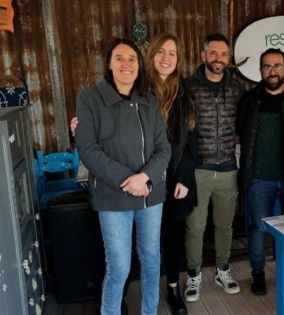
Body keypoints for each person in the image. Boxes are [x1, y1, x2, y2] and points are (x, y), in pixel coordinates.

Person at [71, 33, 198, 315]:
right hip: (112, 198)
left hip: (150, 196)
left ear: (139, 66)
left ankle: (149, 311)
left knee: (152, 259)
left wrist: (145, 178)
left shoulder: (148, 101)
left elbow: (163, 149)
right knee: (119, 266)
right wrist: (129, 181)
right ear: (109, 64)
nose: (126, 64)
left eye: (132, 59)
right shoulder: (89, 99)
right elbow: (88, 150)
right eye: (119, 58)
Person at [236, 48, 284, 296]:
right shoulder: (249, 100)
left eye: (277, 66)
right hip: (259, 177)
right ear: (260, 71)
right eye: (267, 66)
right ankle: (257, 272)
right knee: (258, 227)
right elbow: (241, 136)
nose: (272, 71)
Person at [183, 33, 247, 302]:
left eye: (223, 54)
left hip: (228, 168)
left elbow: (245, 125)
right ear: (203, 55)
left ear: (227, 58)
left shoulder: (237, 89)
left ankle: (223, 269)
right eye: (213, 53)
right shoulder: (187, 87)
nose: (218, 58)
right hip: (198, 168)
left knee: (224, 225)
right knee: (195, 226)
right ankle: (194, 275)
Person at [145, 33, 198, 315]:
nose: (166, 58)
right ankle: (147, 290)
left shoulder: (183, 91)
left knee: (173, 236)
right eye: (161, 52)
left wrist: (184, 179)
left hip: (177, 177)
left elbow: (192, 139)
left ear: (178, 60)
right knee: (146, 240)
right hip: (146, 178)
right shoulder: (139, 89)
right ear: (152, 55)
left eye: (173, 53)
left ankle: (174, 289)